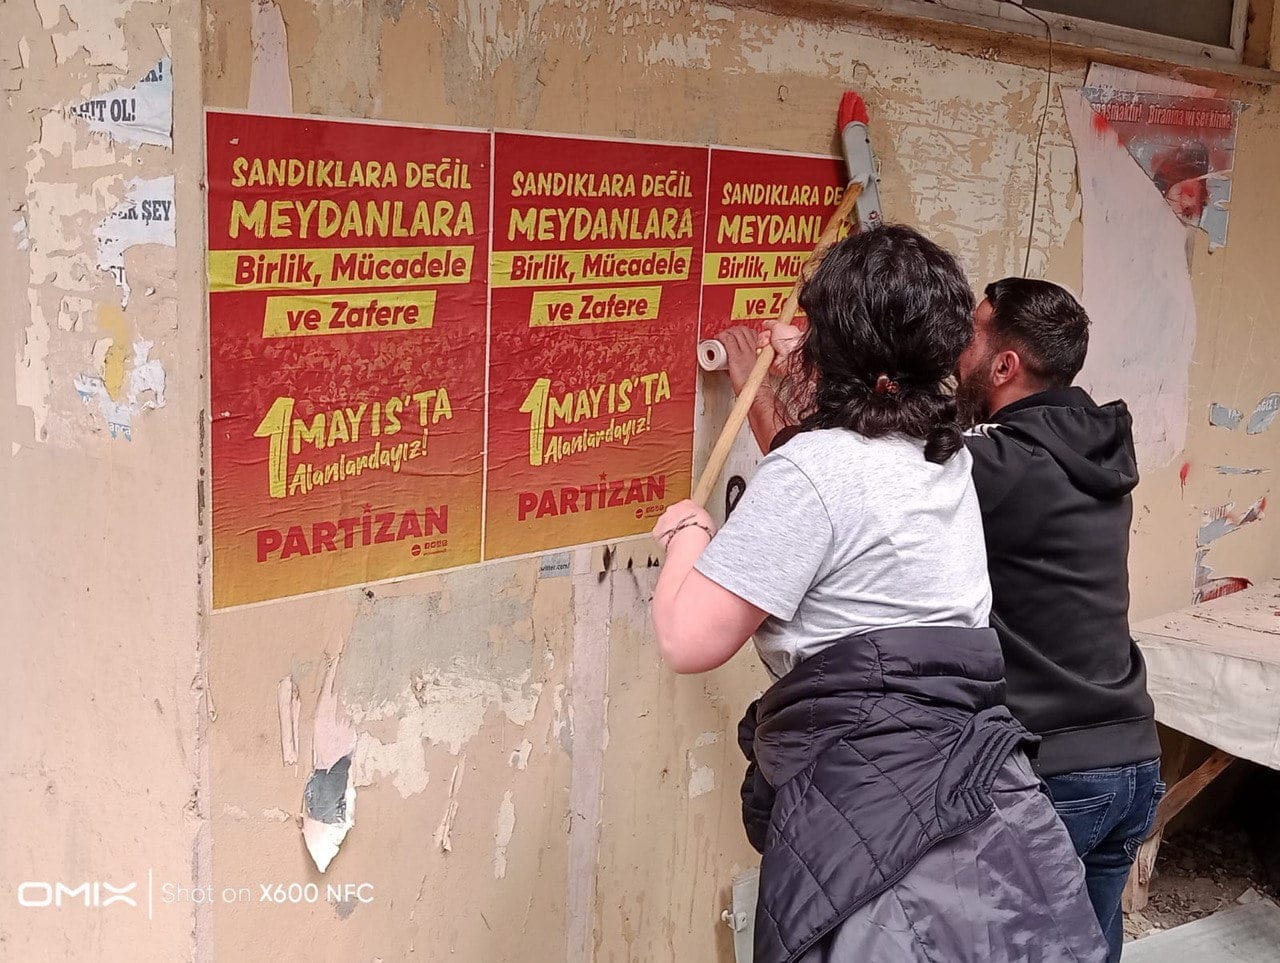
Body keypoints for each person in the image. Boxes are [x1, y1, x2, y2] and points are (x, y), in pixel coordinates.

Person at [650, 226, 1105, 962]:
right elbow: (840, 480)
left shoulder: (811, 471)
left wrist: (689, 537)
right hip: (975, 789)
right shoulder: (944, 457)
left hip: (872, 806)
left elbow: (686, 638)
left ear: (831, 344)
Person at [954, 278, 1163, 963]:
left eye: (969, 336)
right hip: (1132, 759)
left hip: (1057, 775)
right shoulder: (1100, 449)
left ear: (1004, 365)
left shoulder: (1001, 465)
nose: (955, 350)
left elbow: (848, 479)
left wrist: (764, 385)